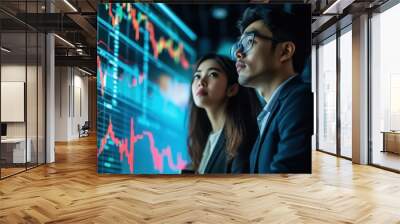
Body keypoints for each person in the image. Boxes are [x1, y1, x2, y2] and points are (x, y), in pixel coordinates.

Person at [231, 5, 313, 173]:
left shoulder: (299, 100)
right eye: (238, 45)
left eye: (249, 42)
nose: (238, 52)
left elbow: (283, 179)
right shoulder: (271, 112)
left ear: (285, 51)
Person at [187, 53, 261, 174]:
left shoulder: (242, 139)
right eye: (197, 76)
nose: (201, 82)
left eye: (213, 74)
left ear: (232, 89)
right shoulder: (205, 139)